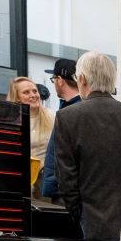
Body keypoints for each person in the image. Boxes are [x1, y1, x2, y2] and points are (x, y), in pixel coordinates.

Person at [51, 50, 121, 241]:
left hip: (97, 226)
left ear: (83, 79)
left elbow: (66, 179)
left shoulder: (67, 118)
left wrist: (81, 215)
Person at [37, 58, 82, 198]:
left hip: (64, 193)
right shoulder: (74, 108)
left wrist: (51, 186)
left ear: (60, 80)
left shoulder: (70, 113)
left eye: (54, 79)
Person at [7, 76, 54, 191]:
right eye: (26, 92)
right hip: (18, 183)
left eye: (35, 91)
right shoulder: (9, 121)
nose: (33, 95)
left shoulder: (53, 117)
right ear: (17, 98)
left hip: (44, 183)